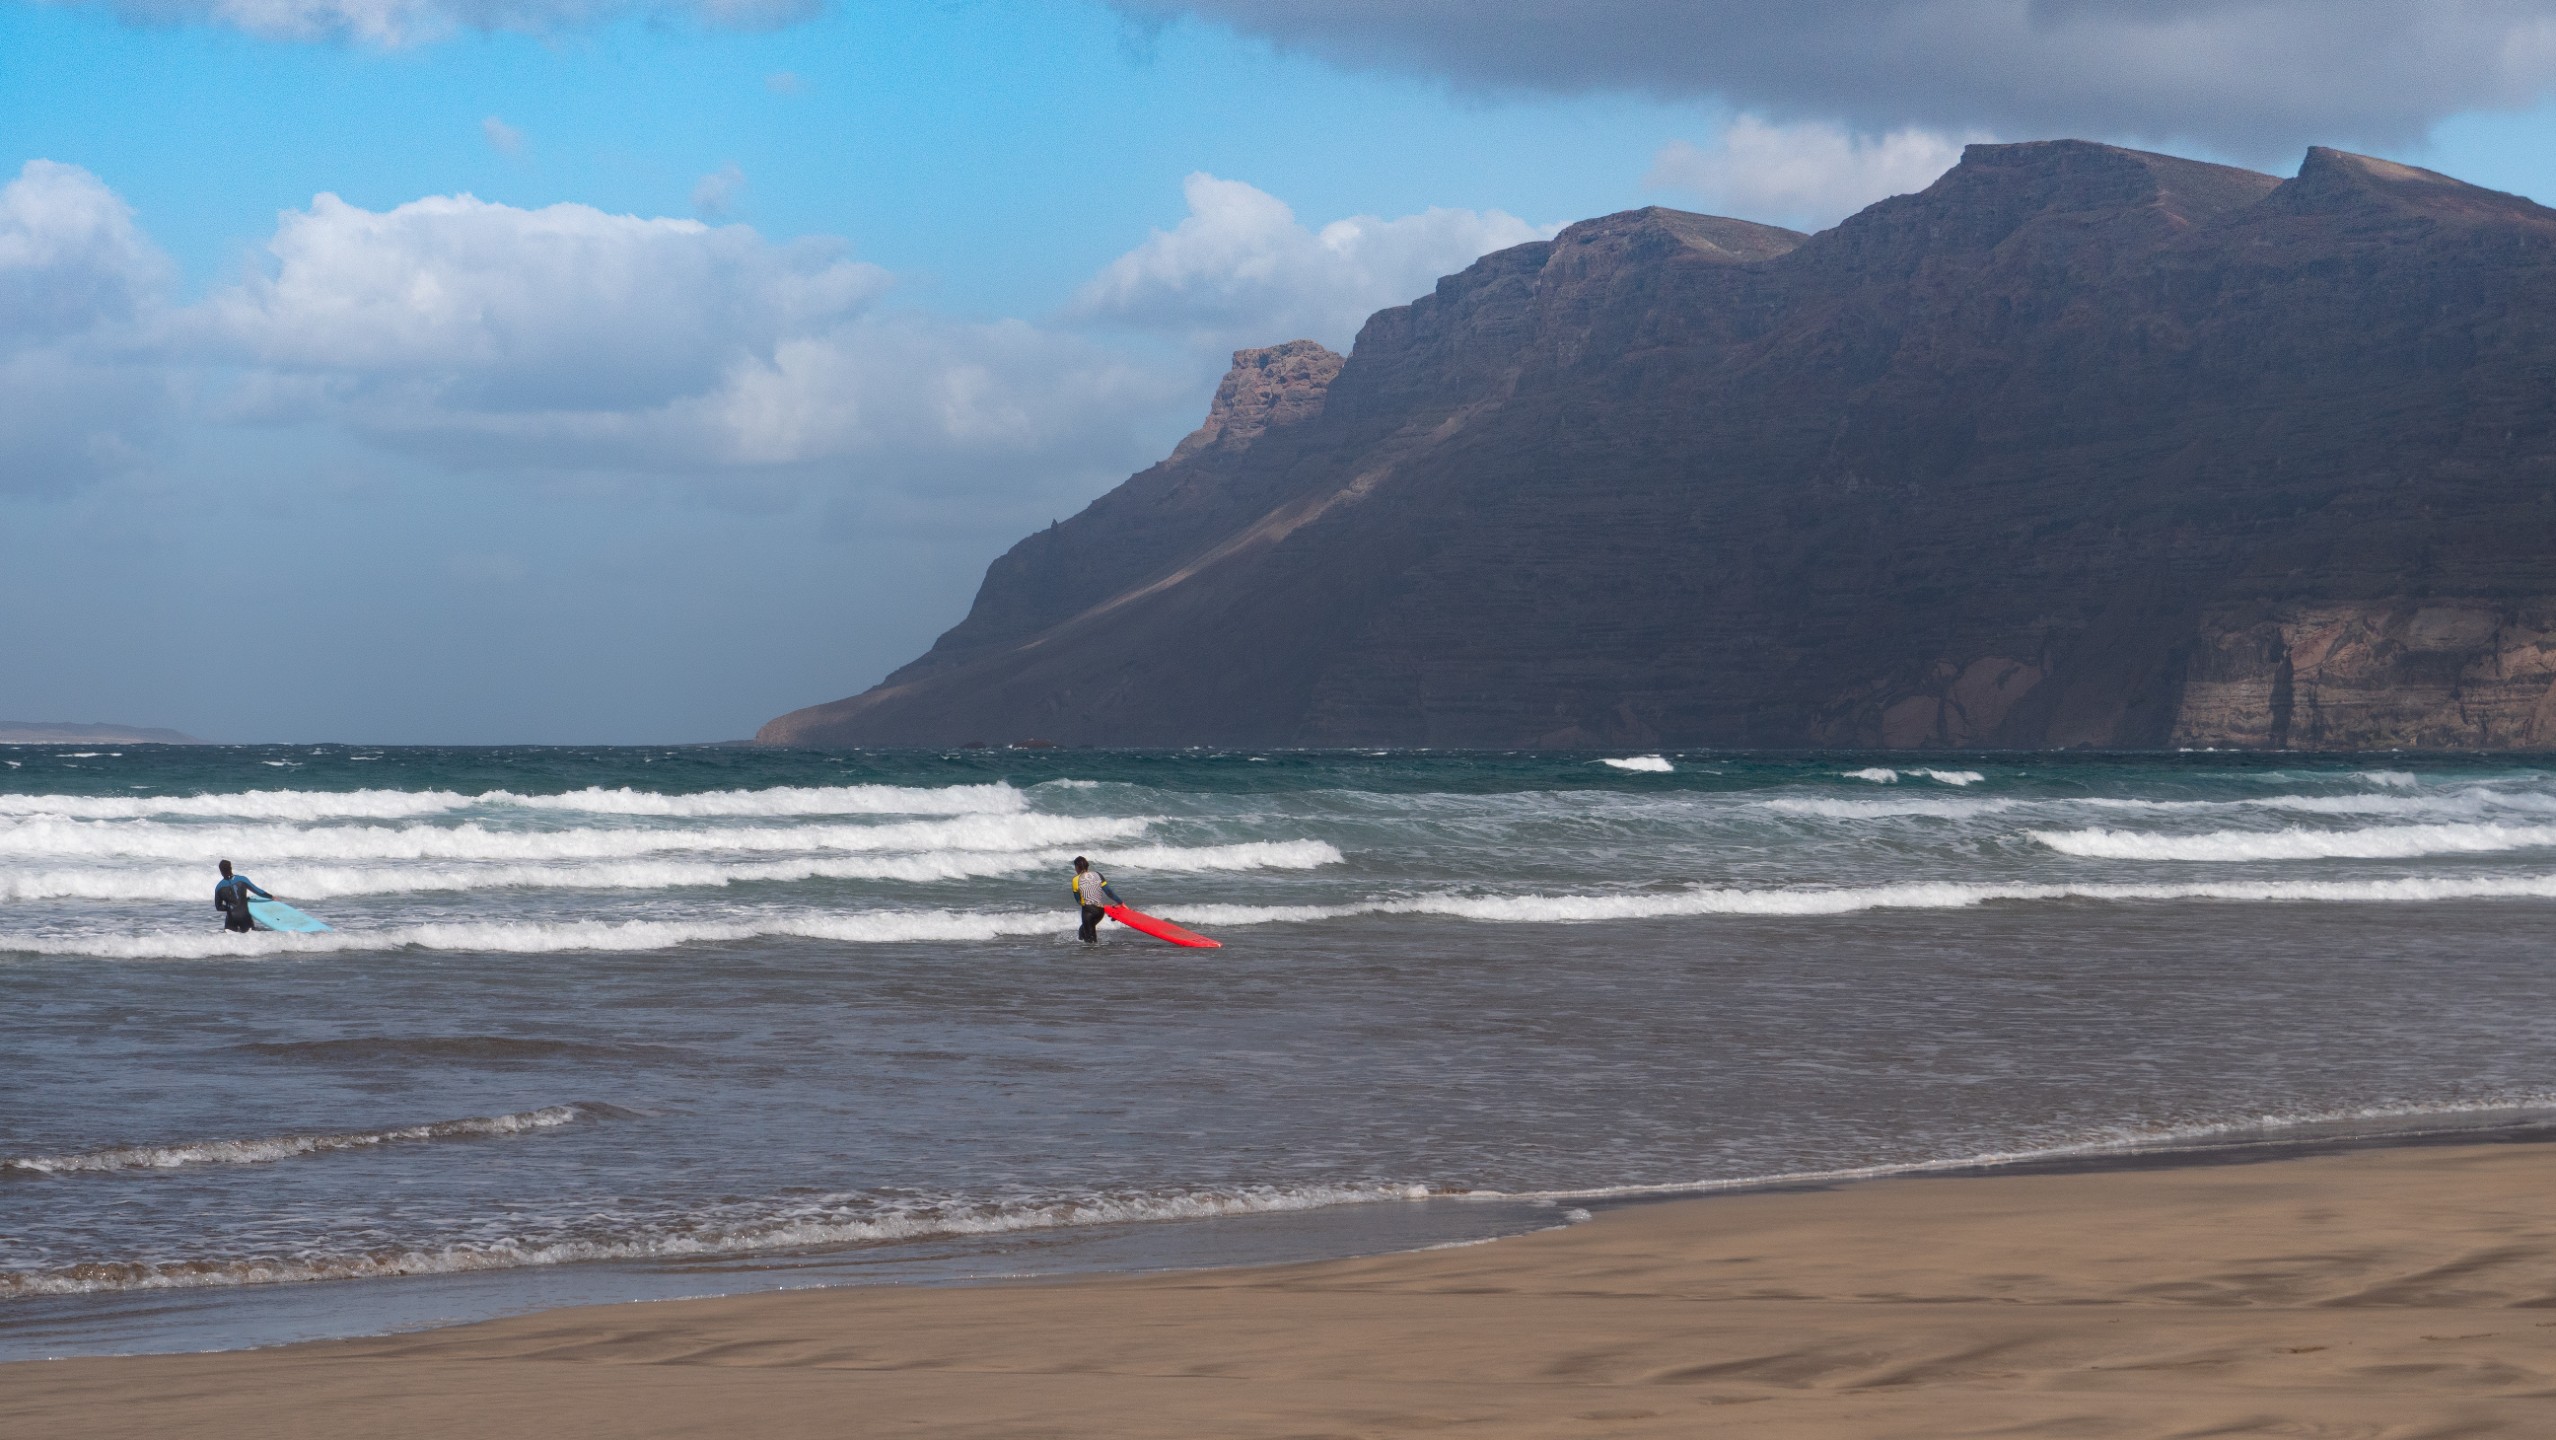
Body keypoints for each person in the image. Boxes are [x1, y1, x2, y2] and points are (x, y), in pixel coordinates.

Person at [1070, 856, 1121, 943]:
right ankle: (1082, 948)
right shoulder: (1098, 874)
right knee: (1082, 931)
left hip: (1088, 912)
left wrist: (1083, 901)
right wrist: (1120, 902)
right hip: (1100, 911)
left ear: (1077, 867)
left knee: (1091, 942)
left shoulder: (1075, 880)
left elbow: (1078, 899)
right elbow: (1109, 892)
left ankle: (1093, 951)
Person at [214, 859, 271, 933]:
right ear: (231, 868)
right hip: (245, 916)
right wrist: (271, 897)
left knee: (230, 938)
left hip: (231, 918)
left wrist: (230, 907)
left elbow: (218, 907)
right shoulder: (242, 879)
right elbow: (257, 891)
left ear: (221, 871)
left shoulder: (219, 887)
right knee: (251, 937)